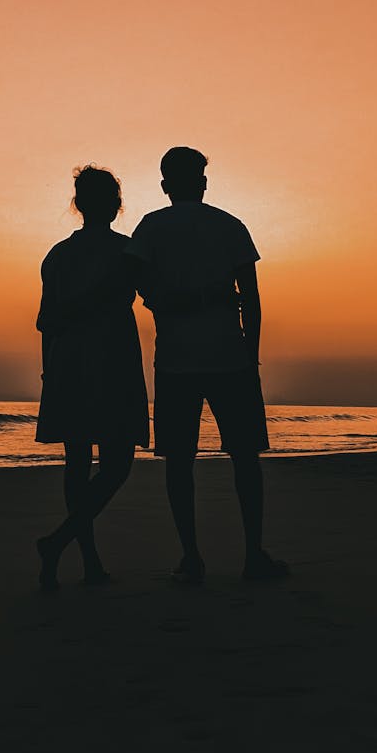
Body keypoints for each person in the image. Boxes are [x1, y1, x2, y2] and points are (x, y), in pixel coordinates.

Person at [126, 146, 288, 584]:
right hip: (230, 359)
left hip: (175, 361)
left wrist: (167, 298)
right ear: (202, 182)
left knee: (179, 462)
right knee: (245, 459)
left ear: (165, 185)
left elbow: (138, 285)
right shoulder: (229, 226)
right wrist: (251, 356)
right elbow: (252, 301)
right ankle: (253, 554)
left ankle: (192, 556)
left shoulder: (150, 228)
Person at [35, 165, 149, 590]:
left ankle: (87, 559)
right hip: (112, 360)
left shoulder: (58, 255)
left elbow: (45, 322)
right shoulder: (129, 251)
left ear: (79, 205)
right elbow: (156, 296)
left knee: (77, 462)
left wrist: (49, 371)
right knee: (117, 463)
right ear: (116, 206)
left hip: (67, 362)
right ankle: (62, 544)